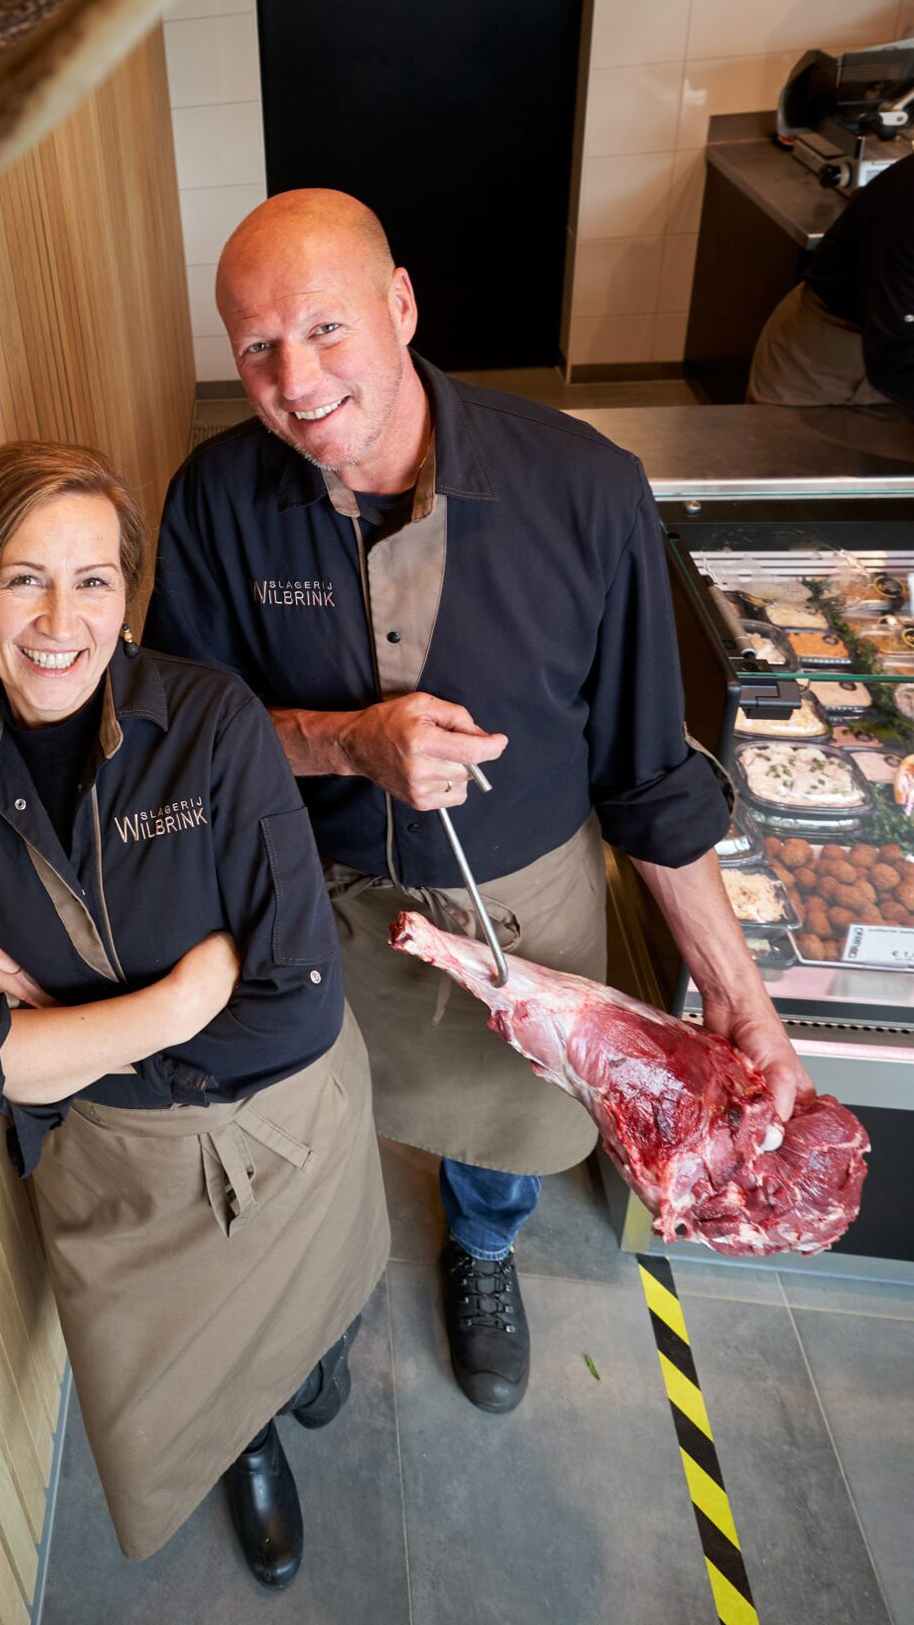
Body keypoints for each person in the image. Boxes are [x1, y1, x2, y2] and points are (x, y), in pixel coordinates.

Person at [145, 189, 809, 1415]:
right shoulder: (214, 501)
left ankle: (485, 1248)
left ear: (400, 304)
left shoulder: (586, 489)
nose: (296, 383)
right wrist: (346, 742)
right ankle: (329, 1284)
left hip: (522, 916)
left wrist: (736, 994)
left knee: (503, 1136)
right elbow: (182, 741)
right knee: (315, 1127)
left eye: (326, 329)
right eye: (257, 348)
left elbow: (646, 777)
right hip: (312, 905)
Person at [0, 441, 389, 1591]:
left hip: (283, 1117)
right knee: (193, 1371)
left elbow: (297, 1007)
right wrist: (176, 1000)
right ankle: (243, 1437)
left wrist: (59, 1026)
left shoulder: (212, 720)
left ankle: (305, 1359)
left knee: (315, 1300)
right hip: (120, 1171)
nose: (58, 620)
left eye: (93, 580)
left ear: (128, 598)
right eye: (23, 578)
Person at [748, 149, 914, 411]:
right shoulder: (906, 200)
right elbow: (892, 358)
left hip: (895, 368)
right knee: (780, 439)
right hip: (822, 368)